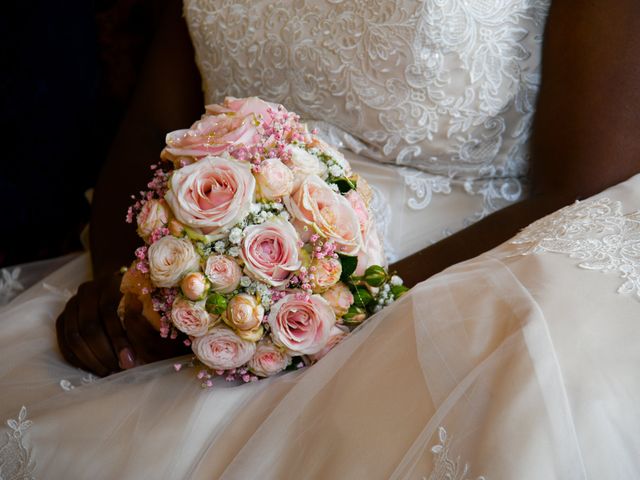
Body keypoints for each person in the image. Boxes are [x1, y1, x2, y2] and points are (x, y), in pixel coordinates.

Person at [1, 0, 639, 478]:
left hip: (470, 266)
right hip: (207, 271)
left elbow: (585, 181)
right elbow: (153, 125)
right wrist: (129, 288)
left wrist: (322, 308)